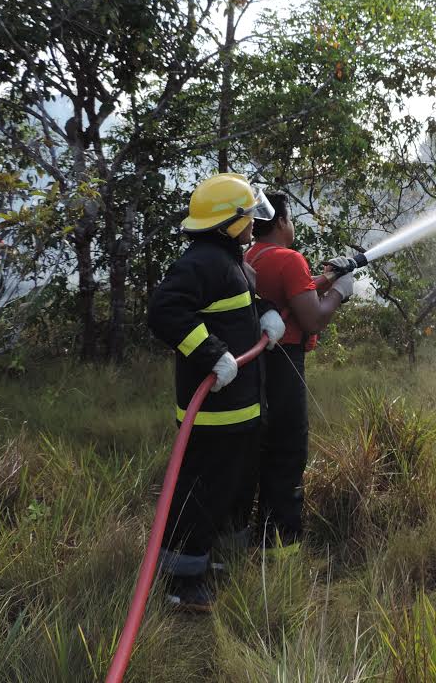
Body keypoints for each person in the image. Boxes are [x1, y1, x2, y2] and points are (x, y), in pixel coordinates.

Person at [146, 173, 286, 612]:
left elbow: (233, 305)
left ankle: (212, 560)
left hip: (240, 409)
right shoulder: (201, 262)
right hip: (212, 413)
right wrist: (210, 353)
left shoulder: (231, 262)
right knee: (200, 494)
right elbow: (164, 311)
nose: (253, 225)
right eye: (248, 218)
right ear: (230, 223)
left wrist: (266, 313)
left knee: (230, 490)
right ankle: (182, 581)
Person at [244, 193, 355, 552]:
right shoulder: (289, 259)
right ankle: (283, 545)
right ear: (280, 222)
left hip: (255, 367)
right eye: (290, 219)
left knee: (264, 448)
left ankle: (256, 533)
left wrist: (326, 278)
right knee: (289, 449)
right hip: (285, 363)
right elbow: (313, 318)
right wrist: (339, 292)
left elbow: (289, 296)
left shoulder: (250, 257)